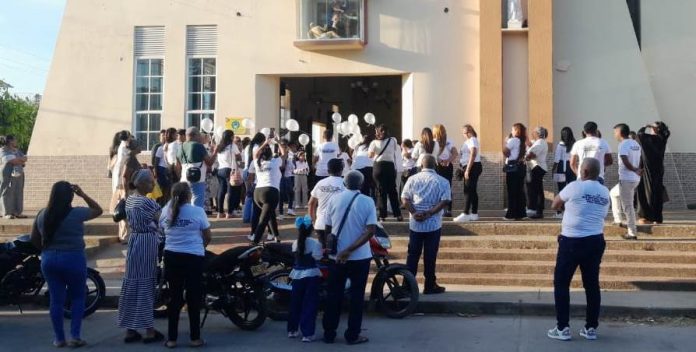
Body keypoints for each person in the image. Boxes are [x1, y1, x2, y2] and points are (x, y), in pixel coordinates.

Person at [30, 181, 103, 348]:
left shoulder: (42, 214)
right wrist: (83, 195)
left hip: (49, 259)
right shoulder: (77, 213)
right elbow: (98, 210)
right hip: (73, 258)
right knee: (77, 297)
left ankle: (59, 338)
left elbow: (34, 238)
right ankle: (75, 336)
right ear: (70, 196)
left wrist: (47, 250)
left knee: (56, 300)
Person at [547, 158, 609, 342]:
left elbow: (554, 204)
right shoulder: (604, 191)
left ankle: (563, 328)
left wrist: (569, 206)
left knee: (561, 283)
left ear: (584, 172)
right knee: (591, 285)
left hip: (572, 242)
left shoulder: (575, 186)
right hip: (595, 241)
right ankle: (591, 328)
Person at [322, 171, 377, 345]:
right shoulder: (367, 201)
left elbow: (328, 228)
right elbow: (370, 231)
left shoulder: (334, 199)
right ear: (361, 185)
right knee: (356, 296)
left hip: (336, 257)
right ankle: (352, 335)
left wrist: (338, 250)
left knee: (333, 295)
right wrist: (350, 250)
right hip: (360, 257)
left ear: (344, 184)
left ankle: (329, 334)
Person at [159, 182, 212, 349]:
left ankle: (172, 339)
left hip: (172, 257)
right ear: (189, 195)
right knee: (193, 298)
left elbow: (162, 231)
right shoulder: (198, 211)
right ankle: (195, 338)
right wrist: (199, 247)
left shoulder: (166, 212)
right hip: (193, 257)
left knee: (174, 298)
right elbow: (207, 236)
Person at [117, 170, 164, 344]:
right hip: (147, 242)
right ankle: (149, 330)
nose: (153, 185)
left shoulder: (129, 200)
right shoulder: (148, 202)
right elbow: (163, 220)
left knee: (132, 283)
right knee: (146, 284)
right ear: (142, 184)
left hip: (134, 241)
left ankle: (130, 329)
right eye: (151, 182)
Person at [401, 155, 451, 294]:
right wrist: (430, 213)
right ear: (435, 165)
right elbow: (445, 200)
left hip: (415, 224)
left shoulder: (412, 179)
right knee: (430, 255)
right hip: (433, 224)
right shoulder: (442, 181)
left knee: (412, 255)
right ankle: (430, 285)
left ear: (421, 166)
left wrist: (414, 212)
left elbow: (405, 198)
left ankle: (407, 285)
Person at [287, 215, 323, 342]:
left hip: (297, 275)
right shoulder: (315, 243)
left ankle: (292, 330)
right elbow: (318, 258)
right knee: (309, 304)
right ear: (311, 230)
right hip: (311, 275)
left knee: (295, 303)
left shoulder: (295, 243)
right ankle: (307, 333)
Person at [250, 137, 286, 244]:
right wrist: (278, 142)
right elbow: (284, 154)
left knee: (270, 214)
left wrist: (265, 142)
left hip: (257, 193)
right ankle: (255, 242)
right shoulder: (275, 162)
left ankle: (276, 236)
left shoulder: (257, 162)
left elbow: (255, 154)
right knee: (263, 220)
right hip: (270, 192)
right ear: (271, 155)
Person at [610, 124, 642, 240]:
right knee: (613, 193)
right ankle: (618, 219)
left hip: (627, 179)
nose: (614, 135)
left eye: (615, 132)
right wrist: (637, 170)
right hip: (634, 179)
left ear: (620, 132)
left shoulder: (623, 144)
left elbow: (625, 161)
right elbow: (638, 159)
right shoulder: (635, 143)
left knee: (628, 206)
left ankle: (632, 233)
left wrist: (634, 169)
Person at [636, 122, 671, 224]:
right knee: (656, 192)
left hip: (647, 170)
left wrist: (645, 126)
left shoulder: (649, 139)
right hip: (659, 170)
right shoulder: (662, 138)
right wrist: (655, 128)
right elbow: (667, 133)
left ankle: (648, 217)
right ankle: (657, 217)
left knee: (646, 192)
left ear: (655, 129)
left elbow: (639, 134)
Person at [368, 124, 403, 222]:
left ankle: (382, 216)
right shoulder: (393, 140)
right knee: (392, 191)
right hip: (390, 167)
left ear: (377, 132)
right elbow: (395, 149)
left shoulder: (374, 142)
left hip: (378, 167)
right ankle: (398, 215)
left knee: (380, 191)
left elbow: (370, 155)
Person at [308, 159, 345, 246]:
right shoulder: (345, 184)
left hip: (320, 224)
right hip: (337, 226)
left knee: (323, 253)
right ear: (342, 170)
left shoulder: (320, 183)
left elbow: (311, 203)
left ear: (328, 171)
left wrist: (313, 221)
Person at [177, 127, 214, 208]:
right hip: (197, 179)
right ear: (195, 135)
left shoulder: (180, 146)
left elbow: (178, 166)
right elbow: (210, 163)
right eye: (199, 135)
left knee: (185, 205)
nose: (200, 137)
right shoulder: (198, 146)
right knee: (197, 205)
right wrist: (216, 151)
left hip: (183, 179)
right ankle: (195, 220)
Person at [454, 125, 482, 222]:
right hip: (469, 166)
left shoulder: (472, 139)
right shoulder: (467, 141)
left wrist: (468, 170)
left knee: (468, 190)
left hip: (473, 166)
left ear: (471, 132)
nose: (465, 135)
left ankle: (465, 213)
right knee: (472, 190)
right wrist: (462, 167)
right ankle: (474, 214)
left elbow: (473, 153)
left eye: (466, 132)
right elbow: (464, 156)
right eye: (464, 133)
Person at [119, 139, 143, 243]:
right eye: (139, 145)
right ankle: (126, 237)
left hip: (131, 189)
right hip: (129, 190)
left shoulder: (131, 157)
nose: (140, 147)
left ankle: (128, 236)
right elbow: (125, 176)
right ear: (134, 147)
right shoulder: (130, 158)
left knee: (130, 213)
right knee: (129, 214)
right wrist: (125, 192)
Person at [503, 123, 528, 220]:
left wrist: (508, 153)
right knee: (520, 191)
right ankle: (521, 213)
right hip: (521, 167)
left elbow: (505, 151)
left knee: (512, 191)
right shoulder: (523, 141)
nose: (511, 132)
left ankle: (511, 214)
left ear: (516, 131)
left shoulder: (513, 140)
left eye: (512, 130)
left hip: (513, 167)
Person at [215, 129, 242, 219]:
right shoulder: (232, 145)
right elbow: (238, 156)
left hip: (220, 170)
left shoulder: (219, 146)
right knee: (231, 191)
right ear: (231, 137)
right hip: (229, 169)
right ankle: (229, 212)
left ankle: (220, 212)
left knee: (221, 191)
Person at [432, 124, 458, 217]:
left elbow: (455, 153)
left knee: (444, 187)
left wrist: (447, 160)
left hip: (444, 166)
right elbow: (455, 153)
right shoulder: (434, 141)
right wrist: (444, 160)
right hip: (441, 165)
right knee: (444, 187)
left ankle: (446, 210)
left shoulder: (448, 141)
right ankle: (444, 209)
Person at [0, 135, 28, 219]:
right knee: (7, 192)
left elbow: (25, 158)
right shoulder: (3, 150)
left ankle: (17, 212)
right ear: (10, 141)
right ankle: (7, 213)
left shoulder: (17, 150)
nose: (16, 141)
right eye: (15, 140)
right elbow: (12, 160)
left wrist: (19, 159)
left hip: (19, 173)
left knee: (18, 192)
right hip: (7, 173)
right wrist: (20, 160)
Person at [552, 127, 577, 218]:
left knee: (561, 190)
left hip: (562, 167)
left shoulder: (560, 145)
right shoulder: (575, 144)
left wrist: (553, 169)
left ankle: (560, 212)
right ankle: (571, 211)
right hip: (571, 167)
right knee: (571, 189)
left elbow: (557, 159)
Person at [525, 127, 549, 219]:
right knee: (537, 189)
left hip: (537, 167)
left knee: (536, 190)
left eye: (533, 132)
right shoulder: (539, 142)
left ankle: (537, 211)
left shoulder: (540, 142)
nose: (532, 134)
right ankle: (537, 210)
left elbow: (532, 155)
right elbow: (530, 145)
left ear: (538, 134)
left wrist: (526, 157)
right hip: (537, 167)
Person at [109, 130, 130, 220]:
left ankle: (119, 211)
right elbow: (122, 161)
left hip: (119, 172)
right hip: (120, 173)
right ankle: (119, 212)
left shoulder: (123, 145)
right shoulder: (123, 146)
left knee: (120, 194)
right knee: (119, 194)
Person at [351, 133, 375, 198]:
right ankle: (372, 202)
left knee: (361, 187)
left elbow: (353, 157)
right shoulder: (372, 146)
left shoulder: (358, 147)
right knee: (371, 187)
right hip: (369, 168)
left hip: (358, 168)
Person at [152, 129, 172, 206]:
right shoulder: (159, 147)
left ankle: (164, 206)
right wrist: (155, 171)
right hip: (161, 170)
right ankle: (157, 206)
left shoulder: (170, 147)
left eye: (166, 135)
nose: (164, 137)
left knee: (167, 191)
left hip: (167, 170)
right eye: (163, 135)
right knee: (160, 191)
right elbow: (155, 161)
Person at [279, 139, 297, 218]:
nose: (285, 147)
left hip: (288, 176)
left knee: (291, 193)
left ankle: (289, 209)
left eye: (285, 145)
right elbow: (282, 167)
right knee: (281, 195)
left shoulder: (290, 154)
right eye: (283, 145)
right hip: (282, 177)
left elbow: (292, 166)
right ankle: (281, 213)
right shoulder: (280, 155)